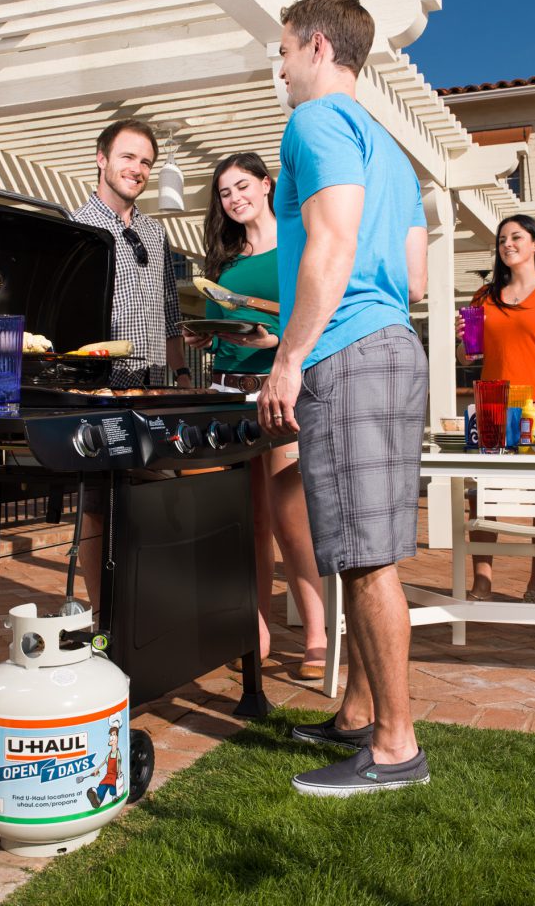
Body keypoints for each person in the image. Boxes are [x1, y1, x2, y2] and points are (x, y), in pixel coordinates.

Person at [257, 0, 430, 797]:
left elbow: (333, 238)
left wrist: (290, 357)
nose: (280, 66)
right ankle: (360, 713)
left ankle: (395, 748)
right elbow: (418, 276)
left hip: (348, 348)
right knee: (370, 548)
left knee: (363, 560)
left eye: (285, 49)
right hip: (394, 341)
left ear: (319, 47)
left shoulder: (315, 122)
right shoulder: (388, 145)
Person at [184, 151, 327, 678]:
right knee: (249, 522)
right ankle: (256, 627)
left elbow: (316, 312)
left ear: (266, 185)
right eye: (224, 193)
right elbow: (224, 329)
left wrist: (281, 340)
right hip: (228, 390)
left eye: (242, 186)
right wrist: (204, 334)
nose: (234, 198)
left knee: (293, 522)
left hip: (280, 390)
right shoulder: (221, 263)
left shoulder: (298, 242)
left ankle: (315, 633)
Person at [73, 118, 191, 609]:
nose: (137, 169)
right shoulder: (76, 228)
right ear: (102, 159)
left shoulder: (154, 232)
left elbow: (170, 313)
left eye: (145, 162)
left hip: (149, 387)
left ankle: (145, 608)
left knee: (153, 502)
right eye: (128, 157)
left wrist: (181, 376)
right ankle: (104, 615)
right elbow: (69, 319)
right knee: (98, 508)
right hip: (98, 387)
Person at [457, 213, 535, 603]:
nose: (507, 244)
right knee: (482, 496)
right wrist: (462, 341)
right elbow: (469, 359)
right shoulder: (484, 297)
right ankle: (482, 581)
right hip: (494, 404)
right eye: (501, 240)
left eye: (516, 237)